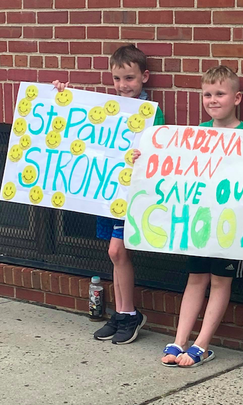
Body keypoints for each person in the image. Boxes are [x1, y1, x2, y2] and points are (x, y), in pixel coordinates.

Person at [154, 66, 243, 367]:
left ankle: (202, 344)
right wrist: (144, 159)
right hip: (199, 223)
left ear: (236, 98)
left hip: (230, 226)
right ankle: (179, 340)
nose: (212, 99)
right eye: (207, 94)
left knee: (221, 281)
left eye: (219, 94)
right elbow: (175, 171)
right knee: (195, 278)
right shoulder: (196, 135)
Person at [54, 44, 165, 344]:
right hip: (109, 193)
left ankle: (129, 314)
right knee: (114, 254)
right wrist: (62, 94)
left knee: (117, 251)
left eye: (129, 78)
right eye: (117, 78)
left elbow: (161, 151)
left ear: (145, 76)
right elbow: (82, 118)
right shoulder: (110, 108)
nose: (122, 85)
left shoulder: (150, 112)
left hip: (132, 194)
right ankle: (121, 312)